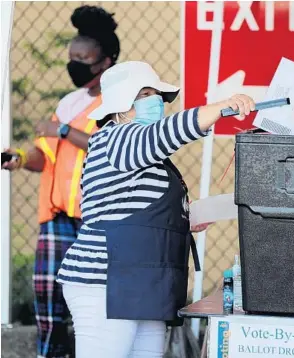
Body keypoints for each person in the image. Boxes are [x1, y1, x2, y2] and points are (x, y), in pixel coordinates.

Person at [56, 60, 255, 358]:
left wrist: (184, 219)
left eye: (157, 95)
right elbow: (167, 133)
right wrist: (222, 107)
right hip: (105, 283)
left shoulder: (141, 150)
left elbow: (131, 207)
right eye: (145, 94)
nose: (157, 102)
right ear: (121, 106)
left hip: (143, 283)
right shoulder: (115, 139)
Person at [2, 5, 120, 358]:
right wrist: (20, 159)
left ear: (107, 60)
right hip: (57, 219)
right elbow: (46, 156)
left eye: (85, 58)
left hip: (96, 218)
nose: (76, 64)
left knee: (94, 304)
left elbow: (108, 144)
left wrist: (64, 130)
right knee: (48, 302)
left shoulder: (117, 102)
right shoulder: (68, 102)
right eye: (72, 57)